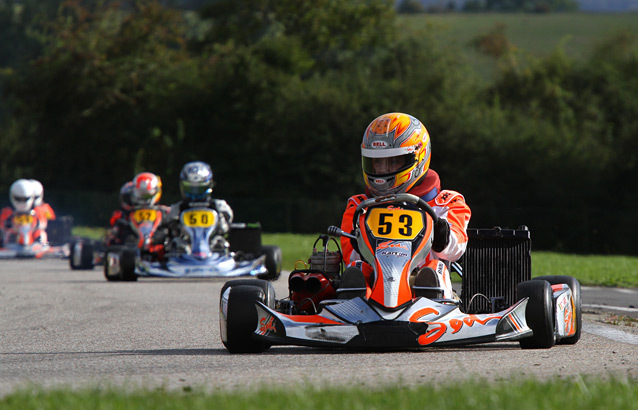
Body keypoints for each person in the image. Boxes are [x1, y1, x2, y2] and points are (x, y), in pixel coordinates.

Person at [339, 112, 471, 300]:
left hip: (426, 294)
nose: (383, 170)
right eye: (377, 162)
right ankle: (353, 299)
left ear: (418, 158)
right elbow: (350, 256)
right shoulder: (359, 206)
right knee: (357, 269)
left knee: (434, 269)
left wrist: (444, 236)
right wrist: (357, 242)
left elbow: (458, 247)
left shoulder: (446, 202)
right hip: (374, 288)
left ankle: (429, 293)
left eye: (393, 161)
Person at [167, 161, 234, 253]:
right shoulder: (177, 208)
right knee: (177, 242)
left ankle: (217, 248)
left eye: (200, 188)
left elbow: (227, 227)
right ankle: (182, 250)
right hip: (185, 250)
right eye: (191, 188)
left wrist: (221, 222)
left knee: (220, 240)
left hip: (213, 248)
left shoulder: (219, 206)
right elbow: (168, 229)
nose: (195, 193)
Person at [0, 179, 48, 245]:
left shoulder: (37, 210)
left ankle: (41, 245)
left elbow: (43, 224)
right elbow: (2, 225)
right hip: (13, 241)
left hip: (32, 238)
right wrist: (10, 225)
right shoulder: (8, 211)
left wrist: (35, 226)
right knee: (9, 233)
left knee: (41, 233)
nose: (22, 202)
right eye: (19, 199)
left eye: (25, 199)